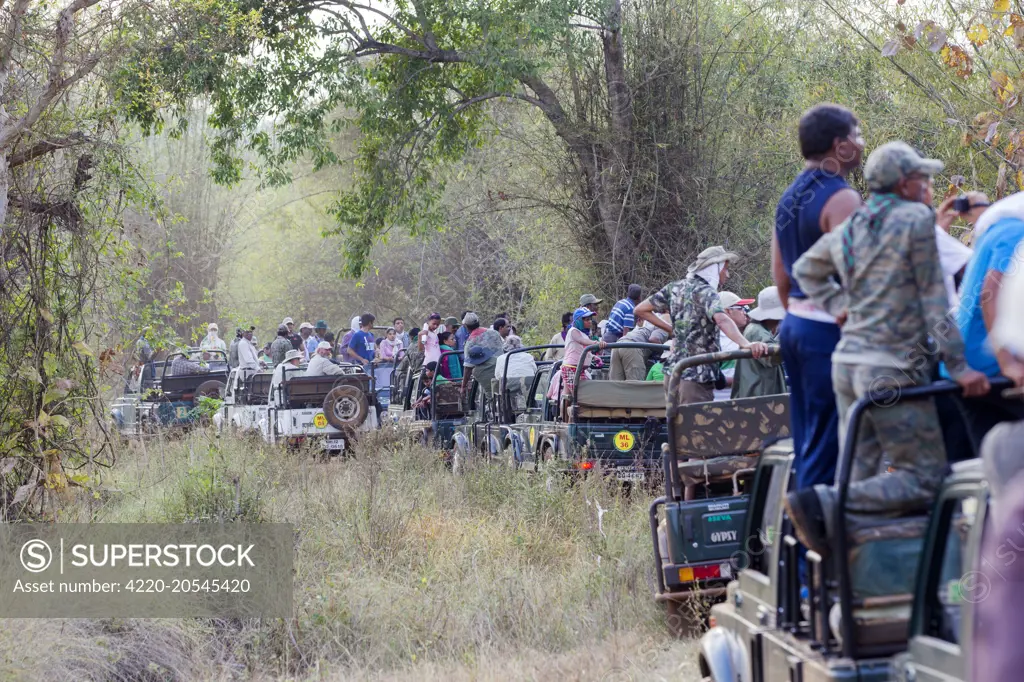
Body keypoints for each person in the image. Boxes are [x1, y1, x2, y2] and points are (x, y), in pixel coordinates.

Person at [786, 141, 990, 557]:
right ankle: (822, 502)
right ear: (904, 183)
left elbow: (806, 269)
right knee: (928, 478)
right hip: (891, 366)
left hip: (847, 366)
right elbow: (935, 299)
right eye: (922, 178)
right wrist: (960, 366)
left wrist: (841, 307)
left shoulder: (854, 226)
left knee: (861, 476)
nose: (927, 185)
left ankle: (855, 581)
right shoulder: (915, 219)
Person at [771, 103, 865, 493]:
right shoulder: (842, 198)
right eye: (857, 136)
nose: (861, 145)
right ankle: (826, 544)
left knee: (809, 438)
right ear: (839, 146)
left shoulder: (788, 198)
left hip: (795, 325)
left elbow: (780, 274)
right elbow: (856, 275)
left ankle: (798, 546)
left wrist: (800, 312)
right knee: (836, 443)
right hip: (829, 331)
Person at [635, 246, 768, 405]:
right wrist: (746, 344)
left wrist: (673, 331)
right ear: (715, 268)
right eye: (725, 269)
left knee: (676, 426)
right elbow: (722, 320)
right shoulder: (707, 293)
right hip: (696, 376)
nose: (727, 274)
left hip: (672, 374)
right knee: (698, 427)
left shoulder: (674, 287)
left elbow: (641, 310)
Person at [951, 191, 1024, 444]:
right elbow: (990, 294)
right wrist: (1008, 364)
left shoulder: (1001, 228)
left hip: (966, 362)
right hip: (991, 366)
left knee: (989, 464)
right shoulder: (1016, 233)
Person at [732, 286, 787, 399]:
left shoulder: (757, 329)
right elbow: (772, 358)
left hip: (759, 397)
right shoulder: (757, 331)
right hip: (759, 401)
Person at [547, 307, 607, 402]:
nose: (590, 322)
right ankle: (566, 414)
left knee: (568, 393)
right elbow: (581, 341)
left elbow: (583, 350)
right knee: (578, 393)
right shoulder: (573, 331)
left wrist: (593, 357)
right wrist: (596, 343)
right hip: (571, 367)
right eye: (587, 320)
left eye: (590, 319)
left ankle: (564, 414)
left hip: (580, 369)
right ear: (579, 321)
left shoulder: (584, 334)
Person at [714, 291, 755, 401]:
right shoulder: (717, 338)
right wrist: (742, 379)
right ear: (727, 311)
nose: (745, 312)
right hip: (721, 402)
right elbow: (711, 376)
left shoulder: (738, 335)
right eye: (740, 308)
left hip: (739, 399)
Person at [460, 312, 505, 398]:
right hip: (503, 370)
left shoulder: (470, 343)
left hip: (488, 375)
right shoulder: (494, 333)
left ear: (466, 326)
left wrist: (463, 386)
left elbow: (468, 368)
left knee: (490, 396)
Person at [496, 335, 537, 408]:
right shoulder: (528, 356)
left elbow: (497, 376)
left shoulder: (500, 358)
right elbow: (535, 372)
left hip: (508, 390)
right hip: (528, 389)